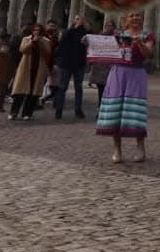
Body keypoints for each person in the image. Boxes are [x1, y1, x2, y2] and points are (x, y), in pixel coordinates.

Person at [95, 11, 154, 164]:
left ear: (142, 19)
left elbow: (148, 53)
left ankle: (140, 147)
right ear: (126, 20)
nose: (135, 17)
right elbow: (104, 50)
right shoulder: (118, 35)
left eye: (138, 15)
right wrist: (90, 43)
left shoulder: (147, 35)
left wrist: (139, 43)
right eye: (132, 15)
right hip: (118, 73)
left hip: (136, 73)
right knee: (116, 110)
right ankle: (117, 149)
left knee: (135, 111)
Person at [10, 24, 52, 121]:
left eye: (38, 30)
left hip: (38, 69)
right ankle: (14, 112)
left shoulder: (46, 41)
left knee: (33, 93)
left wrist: (40, 42)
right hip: (25, 68)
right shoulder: (26, 39)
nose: (36, 32)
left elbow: (47, 52)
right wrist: (32, 42)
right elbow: (22, 49)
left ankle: (27, 113)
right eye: (34, 30)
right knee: (19, 92)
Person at [53, 16, 88, 120]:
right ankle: (59, 110)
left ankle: (78, 109)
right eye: (77, 18)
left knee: (78, 88)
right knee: (63, 87)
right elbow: (63, 40)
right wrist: (75, 27)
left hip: (79, 64)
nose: (79, 20)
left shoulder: (85, 33)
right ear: (73, 21)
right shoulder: (68, 31)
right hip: (67, 63)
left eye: (80, 19)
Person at [87, 18, 116, 106]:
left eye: (111, 26)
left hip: (112, 67)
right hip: (100, 67)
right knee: (101, 89)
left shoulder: (117, 37)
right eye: (107, 25)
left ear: (114, 27)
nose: (109, 27)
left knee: (112, 89)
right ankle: (100, 108)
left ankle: (109, 107)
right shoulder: (100, 36)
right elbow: (93, 48)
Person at [0, 33, 16, 113]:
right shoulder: (0, 51)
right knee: (1, 92)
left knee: (2, 91)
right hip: (0, 74)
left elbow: (10, 63)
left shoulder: (5, 49)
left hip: (4, 74)